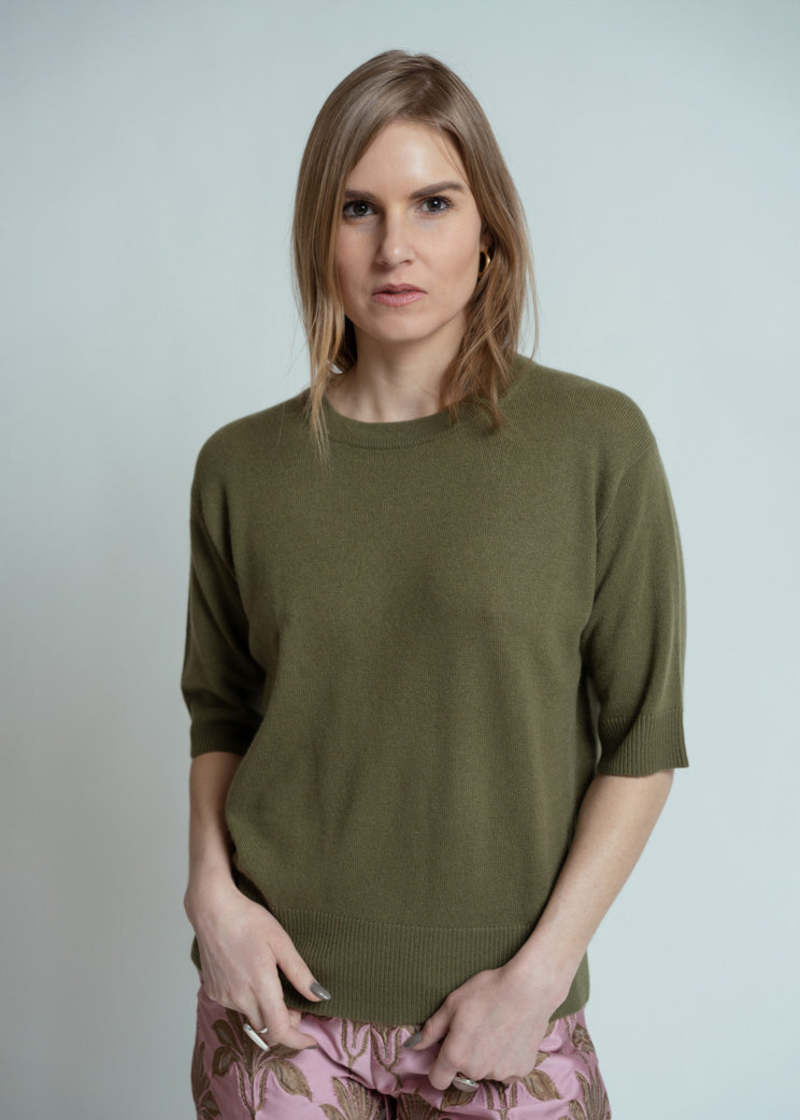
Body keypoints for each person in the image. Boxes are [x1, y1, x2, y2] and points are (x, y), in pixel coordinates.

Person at [181, 49, 689, 1120]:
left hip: (503, 1011)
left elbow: (642, 741)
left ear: (487, 228)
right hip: (278, 1010)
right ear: (318, 232)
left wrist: (540, 977)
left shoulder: (595, 445)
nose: (394, 248)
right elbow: (221, 712)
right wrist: (211, 899)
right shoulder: (240, 467)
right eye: (357, 208)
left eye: (433, 203)